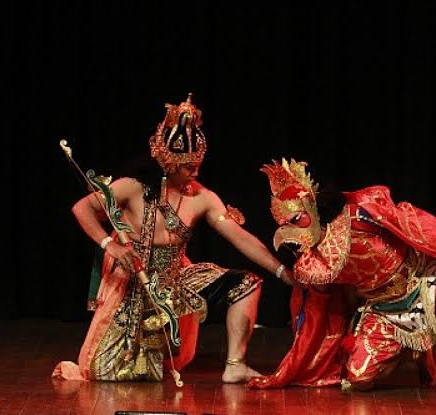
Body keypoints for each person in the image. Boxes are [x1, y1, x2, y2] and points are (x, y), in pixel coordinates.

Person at [53, 94, 292, 383]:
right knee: (105, 372)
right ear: (167, 162)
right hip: (135, 280)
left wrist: (282, 271)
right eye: (187, 166)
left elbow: (240, 238)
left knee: (246, 284)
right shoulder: (132, 188)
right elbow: (82, 208)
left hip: (176, 278)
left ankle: (235, 365)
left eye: (197, 164)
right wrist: (111, 245)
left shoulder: (202, 197)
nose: (195, 172)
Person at [247, 159, 436, 403]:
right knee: (359, 381)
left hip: (426, 279)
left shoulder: (359, 213)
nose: (291, 230)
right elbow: (318, 314)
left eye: (296, 219)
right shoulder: (312, 265)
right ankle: (409, 346)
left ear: (311, 205)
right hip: (385, 308)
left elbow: (408, 222)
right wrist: (298, 361)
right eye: (285, 224)